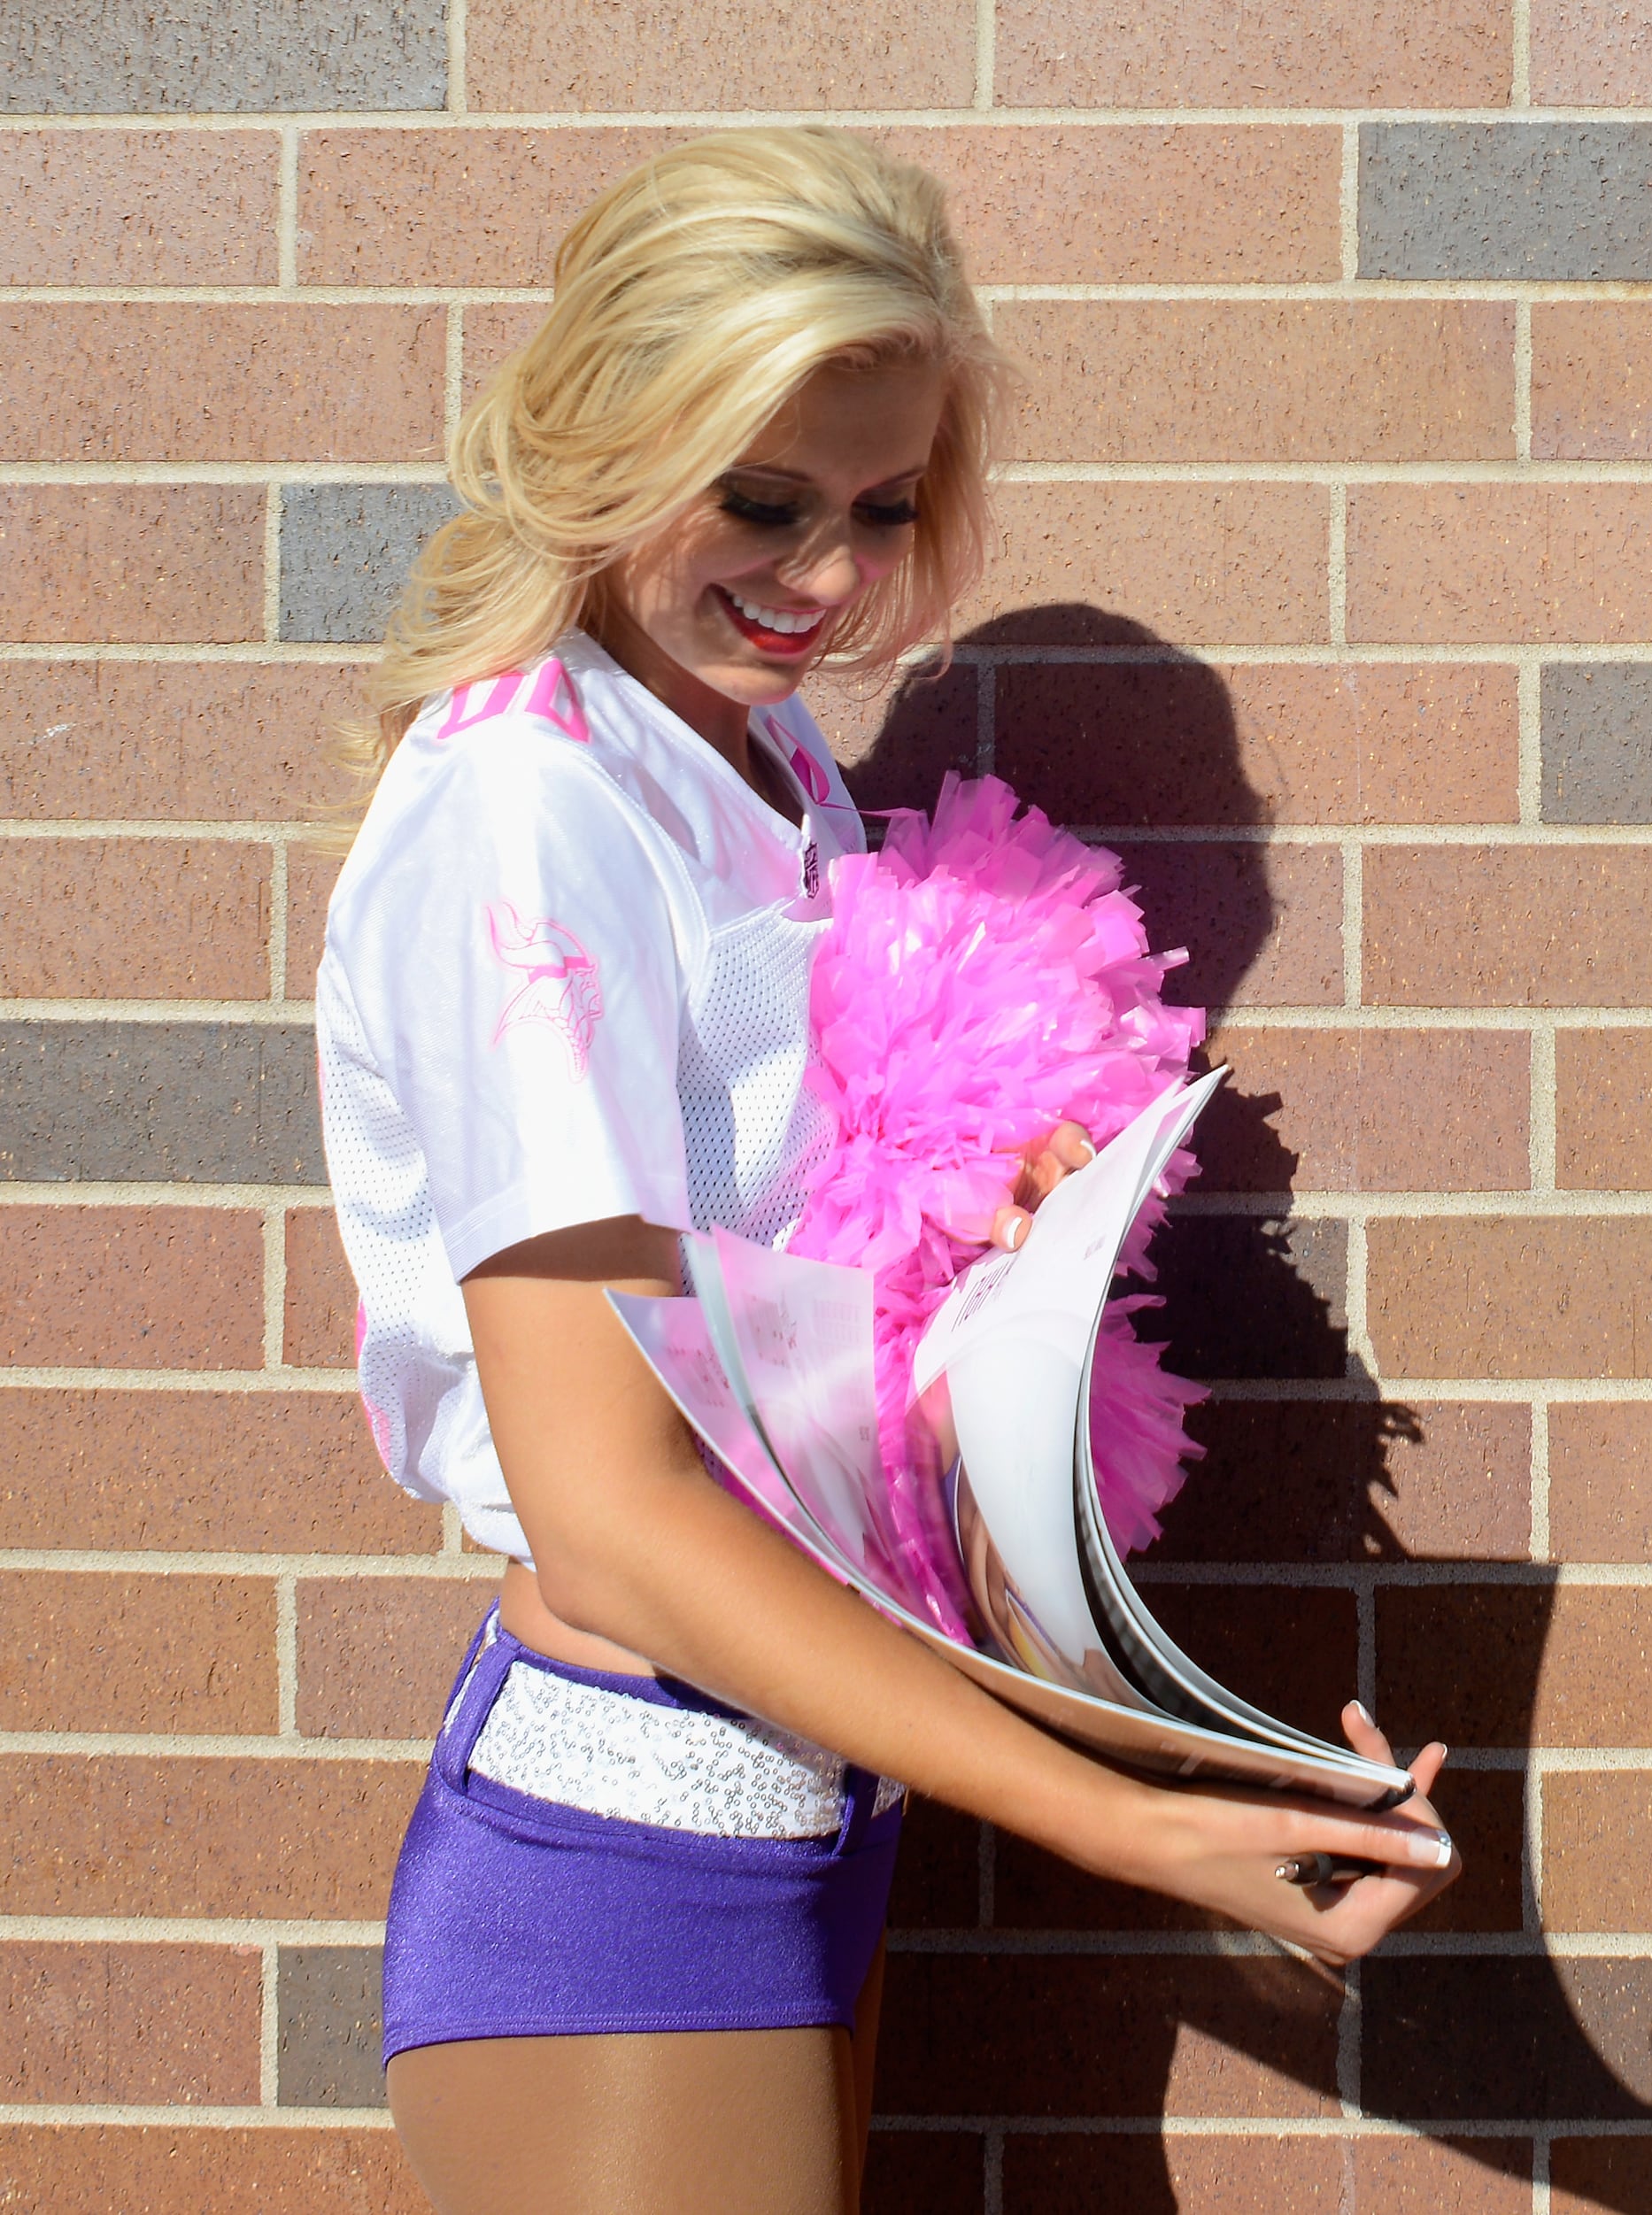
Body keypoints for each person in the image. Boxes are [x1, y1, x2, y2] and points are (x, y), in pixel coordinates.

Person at [313, 127, 1456, 2214]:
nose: (826, 580)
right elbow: (617, 1506)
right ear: (604, 430)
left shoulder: (767, 764)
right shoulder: (525, 815)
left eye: (882, 508)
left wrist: (976, 1236)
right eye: (760, 501)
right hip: (630, 1835)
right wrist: (1128, 1827)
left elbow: (767, 1308)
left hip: (806, 1796)